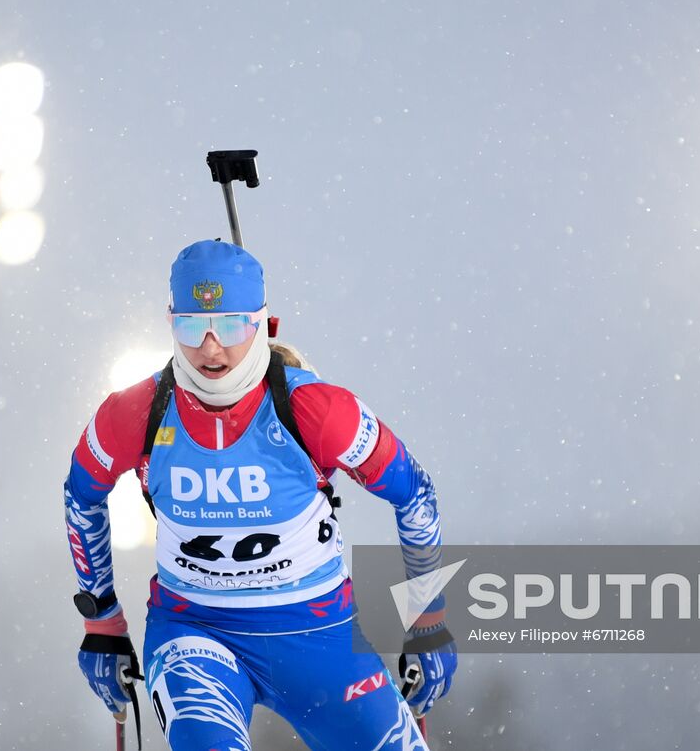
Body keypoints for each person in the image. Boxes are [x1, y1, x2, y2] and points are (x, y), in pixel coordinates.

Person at [65, 240, 456, 750]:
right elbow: (81, 496)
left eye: (230, 326)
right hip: (196, 635)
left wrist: (429, 620)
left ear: (261, 324)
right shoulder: (135, 414)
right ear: (170, 323)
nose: (210, 349)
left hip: (321, 640)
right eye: (192, 328)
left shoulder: (318, 411)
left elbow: (413, 492)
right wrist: (102, 622)